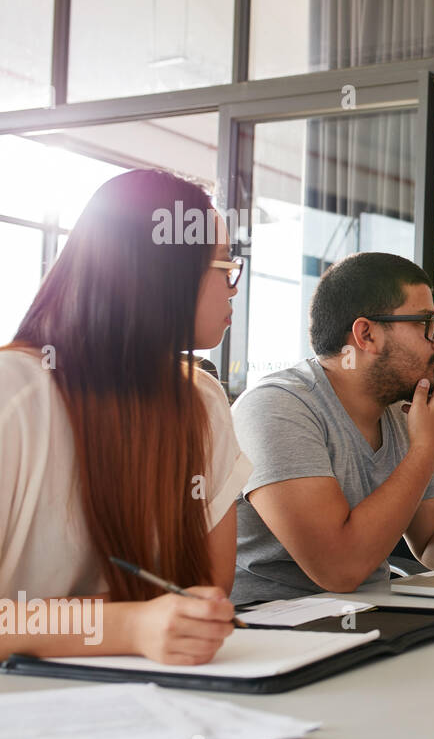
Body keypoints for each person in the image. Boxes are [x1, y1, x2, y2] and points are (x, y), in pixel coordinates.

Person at [0, 169, 248, 664]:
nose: (233, 289)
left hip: (161, 698)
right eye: (226, 268)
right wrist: (128, 624)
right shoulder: (14, 393)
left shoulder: (201, 399)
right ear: (165, 274)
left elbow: (208, 589)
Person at [231, 251, 434, 604]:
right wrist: (423, 451)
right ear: (366, 334)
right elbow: (339, 568)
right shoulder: (277, 408)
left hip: (369, 617)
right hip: (273, 631)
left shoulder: (401, 413)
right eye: (426, 324)